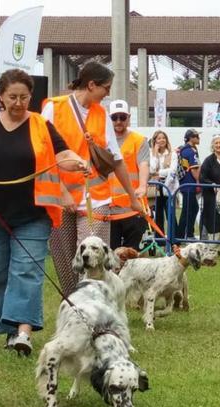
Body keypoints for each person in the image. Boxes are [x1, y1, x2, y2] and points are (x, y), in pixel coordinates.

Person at [0, 69, 87, 357]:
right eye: (12, 97)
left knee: (26, 271)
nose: (19, 103)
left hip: (33, 214)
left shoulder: (41, 125)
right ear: (0, 97)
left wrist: (75, 161)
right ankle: (8, 331)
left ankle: (23, 333)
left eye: (24, 97)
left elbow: (62, 154)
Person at [41, 61, 143, 296]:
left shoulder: (101, 113)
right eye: (106, 88)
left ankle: (94, 303)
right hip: (60, 197)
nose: (108, 93)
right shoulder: (53, 109)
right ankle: (72, 306)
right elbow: (44, 154)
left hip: (95, 199)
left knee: (93, 256)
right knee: (67, 260)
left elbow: (115, 159)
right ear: (91, 84)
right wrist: (63, 193)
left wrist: (132, 197)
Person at [108, 99, 150, 250]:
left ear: (129, 118)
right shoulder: (102, 140)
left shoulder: (139, 140)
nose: (118, 121)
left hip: (133, 207)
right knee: (110, 254)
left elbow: (144, 164)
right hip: (108, 208)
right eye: (114, 117)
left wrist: (143, 186)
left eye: (122, 117)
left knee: (132, 253)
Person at [148, 129, 176, 235]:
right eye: (159, 138)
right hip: (155, 188)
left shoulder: (172, 154)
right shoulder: (151, 154)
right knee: (158, 214)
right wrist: (155, 153)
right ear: (155, 141)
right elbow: (151, 169)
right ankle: (160, 239)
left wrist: (158, 173)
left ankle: (173, 239)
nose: (161, 140)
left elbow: (173, 170)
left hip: (169, 186)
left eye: (163, 138)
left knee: (170, 214)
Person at [199, 133, 220, 241]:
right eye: (216, 143)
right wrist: (212, 185)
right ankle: (212, 244)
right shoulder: (208, 160)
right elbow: (202, 178)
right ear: (213, 145)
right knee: (212, 219)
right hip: (211, 196)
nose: (219, 145)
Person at [175, 128, 202, 239]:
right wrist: (198, 182)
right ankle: (183, 235)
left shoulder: (184, 149)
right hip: (189, 184)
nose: (199, 138)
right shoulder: (191, 151)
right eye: (197, 136)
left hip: (185, 184)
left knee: (192, 208)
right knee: (187, 210)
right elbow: (194, 169)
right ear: (191, 138)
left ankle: (186, 234)